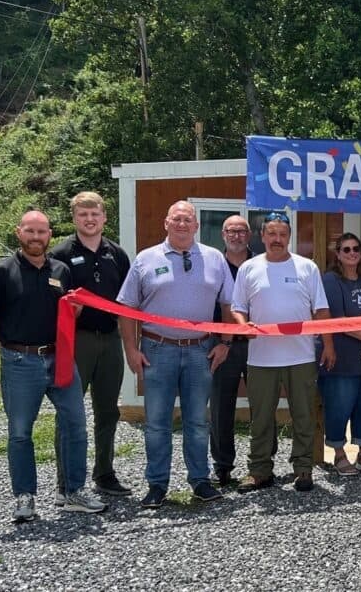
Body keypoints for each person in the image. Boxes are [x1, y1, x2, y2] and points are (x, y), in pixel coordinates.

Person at [0, 210, 107, 522]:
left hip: (60, 359)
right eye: (30, 231)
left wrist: (76, 310)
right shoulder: (1, 270)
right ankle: (25, 497)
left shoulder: (61, 270)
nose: (36, 237)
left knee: (75, 425)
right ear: (18, 232)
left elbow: (68, 314)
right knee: (21, 432)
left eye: (42, 232)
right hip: (20, 362)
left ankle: (73, 492)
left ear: (50, 234)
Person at [116, 201, 235, 508]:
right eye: (177, 219)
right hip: (157, 350)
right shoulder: (145, 259)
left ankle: (200, 481)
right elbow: (127, 307)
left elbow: (229, 304)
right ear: (166, 223)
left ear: (196, 226)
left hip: (200, 351)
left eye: (188, 220)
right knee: (157, 423)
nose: (182, 224)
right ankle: (157, 485)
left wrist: (225, 342)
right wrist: (131, 349)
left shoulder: (214, 258)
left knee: (197, 421)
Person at [231, 212, 333, 493]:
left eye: (283, 234)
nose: (277, 239)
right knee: (261, 418)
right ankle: (259, 471)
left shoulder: (306, 267)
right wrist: (243, 325)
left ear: (290, 237)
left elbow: (321, 310)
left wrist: (329, 345)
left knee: (303, 415)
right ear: (262, 236)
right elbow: (237, 307)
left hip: (301, 356)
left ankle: (303, 469)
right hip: (261, 358)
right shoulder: (248, 268)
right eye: (272, 234)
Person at [49, 192, 131, 499]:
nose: (89, 219)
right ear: (74, 218)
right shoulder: (60, 254)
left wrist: (130, 343)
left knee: (108, 411)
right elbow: (51, 299)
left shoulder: (117, 254)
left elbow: (127, 301)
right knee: (69, 411)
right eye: (83, 215)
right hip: (76, 341)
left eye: (95, 214)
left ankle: (104, 474)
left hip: (110, 340)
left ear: (104, 217)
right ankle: (66, 483)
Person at [320, 233, 361, 477]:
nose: (352, 253)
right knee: (339, 407)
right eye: (346, 249)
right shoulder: (330, 280)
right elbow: (339, 319)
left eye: (356, 248)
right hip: (343, 359)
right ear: (338, 254)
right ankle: (339, 454)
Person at [209, 215, 254, 486]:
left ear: (249, 235)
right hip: (221, 345)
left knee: (262, 405)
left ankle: (262, 463)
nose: (236, 236)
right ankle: (222, 466)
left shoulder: (261, 263)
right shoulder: (212, 265)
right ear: (223, 235)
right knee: (220, 407)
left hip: (257, 344)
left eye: (241, 231)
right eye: (231, 231)